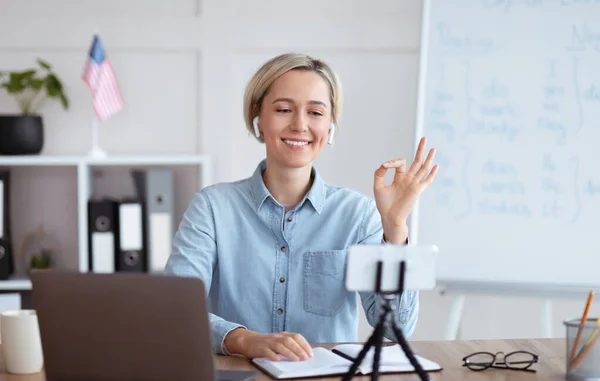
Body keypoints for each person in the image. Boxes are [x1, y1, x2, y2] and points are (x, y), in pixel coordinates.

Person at [164, 52, 438, 362]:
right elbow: (175, 311)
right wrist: (243, 340)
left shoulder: (357, 214)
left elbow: (394, 329)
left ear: (331, 124)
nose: (299, 125)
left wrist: (396, 229)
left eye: (316, 113)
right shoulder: (212, 208)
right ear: (259, 117)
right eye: (283, 109)